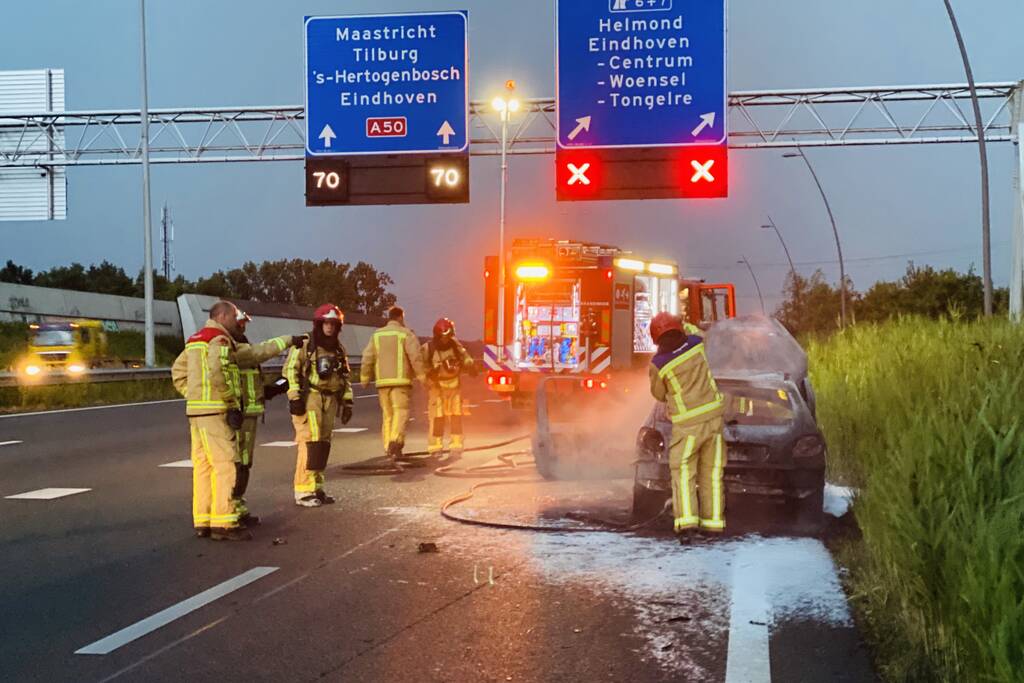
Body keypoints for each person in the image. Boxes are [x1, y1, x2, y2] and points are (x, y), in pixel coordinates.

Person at [170, 300, 249, 541]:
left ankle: (202, 520)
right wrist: (230, 401)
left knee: (203, 468)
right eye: (235, 317)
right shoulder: (219, 339)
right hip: (216, 412)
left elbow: (177, 371)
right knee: (225, 466)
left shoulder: (195, 339)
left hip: (196, 412)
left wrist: (193, 395)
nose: (237, 321)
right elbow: (217, 370)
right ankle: (223, 524)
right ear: (223, 316)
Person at [647, 311, 726, 542]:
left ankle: (687, 525)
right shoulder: (696, 343)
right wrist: (684, 322)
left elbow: (658, 394)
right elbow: (697, 331)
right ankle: (713, 526)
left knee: (683, 473)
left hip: (688, 424)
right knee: (711, 473)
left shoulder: (659, 363)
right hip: (714, 419)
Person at [231, 308, 306, 524]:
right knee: (238, 462)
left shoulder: (238, 345)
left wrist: (270, 390)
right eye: (241, 323)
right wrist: (288, 340)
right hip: (240, 414)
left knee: (244, 461)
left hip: (248, 412)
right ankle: (232, 507)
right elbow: (260, 352)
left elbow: (248, 380)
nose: (244, 327)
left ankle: (237, 505)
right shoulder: (235, 347)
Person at [284, 304, 354, 507]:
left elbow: (345, 377)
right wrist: (295, 397)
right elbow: (290, 370)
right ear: (319, 324)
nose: (330, 327)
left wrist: (347, 402)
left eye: (333, 324)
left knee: (323, 444)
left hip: (330, 399)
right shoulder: (306, 344)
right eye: (326, 323)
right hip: (311, 397)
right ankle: (303, 490)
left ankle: (317, 487)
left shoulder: (339, 349)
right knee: (310, 443)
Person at [360, 306, 425, 461]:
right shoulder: (405, 333)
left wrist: (364, 377)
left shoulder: (377, 335)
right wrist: (422, 376)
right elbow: (415, 356)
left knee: (388, 415)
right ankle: (395, 443)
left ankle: (387, 447)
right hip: (400, 382)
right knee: (400, 412)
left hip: (382, 383)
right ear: (400, 318)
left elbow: (367, 357)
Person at [422, 318, 476, 458]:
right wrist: (429, 374)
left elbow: (465, 357)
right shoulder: (428, 348)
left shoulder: (455, 345)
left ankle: (456, 446)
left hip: (454, 386)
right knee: (437, 417)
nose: (446, 340)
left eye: (449, 336)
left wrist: (470, 366)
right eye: (444, 337)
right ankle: (435, 447)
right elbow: (421, 366)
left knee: (456, 416)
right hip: (437, 388)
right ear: (437, 335)